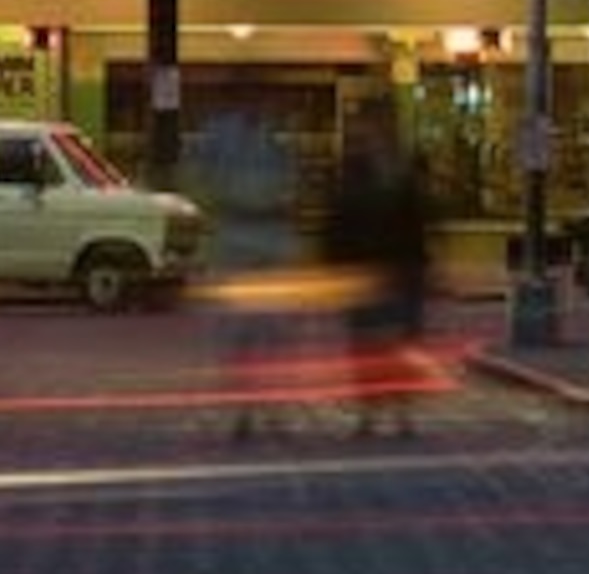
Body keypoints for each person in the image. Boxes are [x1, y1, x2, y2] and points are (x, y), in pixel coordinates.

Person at [184, 108, 305, 440]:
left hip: (266, 247)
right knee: (239, 338)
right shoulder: (221, 134)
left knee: (272, 338)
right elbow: (198, 179)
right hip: (236, 246)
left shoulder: (275, 136)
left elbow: (291, 189)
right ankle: (244, 412)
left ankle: (271, 411)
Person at [325, 103, 431, 435]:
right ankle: (371, 412)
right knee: (366, 346)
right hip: (367, 268)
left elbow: (418, 222)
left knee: (399, 344)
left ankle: (399, 411)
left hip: (398, 267)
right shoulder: (356, 172)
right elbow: (339, 220)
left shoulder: (403, 172)